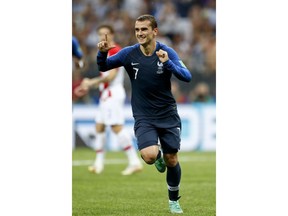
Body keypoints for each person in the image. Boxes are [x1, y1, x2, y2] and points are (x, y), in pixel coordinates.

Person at [96, 14, 192, 214]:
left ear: (154, 31)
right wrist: (102, 54)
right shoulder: (129, 54)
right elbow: (103, 66)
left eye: (144, 29)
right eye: (137, 30)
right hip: (144, 116)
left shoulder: (166, 52)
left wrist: (168, 64)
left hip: (167, 114)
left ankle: (173, 200)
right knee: (148, 156)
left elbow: (187, 76)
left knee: (172, 159)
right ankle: (156, 155)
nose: (139, 33)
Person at [74, 24, 143, 176]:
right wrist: (89, 84)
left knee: (116, 127)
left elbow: (110, 76)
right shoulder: (105, 51)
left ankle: (134, 161)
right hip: (106, 93)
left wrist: (90, 83)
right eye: (100, 34)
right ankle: (98, 164)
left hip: (113, 92)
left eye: (105, 34)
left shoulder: (114, 51)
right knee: (99, 126)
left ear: (112, 35)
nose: (102, 37)